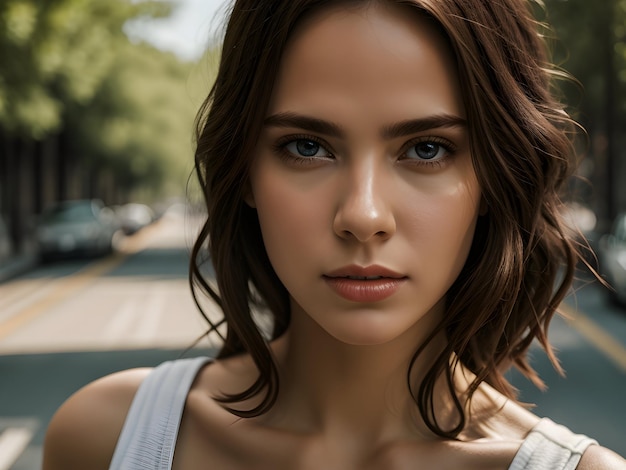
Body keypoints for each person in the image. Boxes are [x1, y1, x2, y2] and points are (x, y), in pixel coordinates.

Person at [43, 0, 626, 469]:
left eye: (427, 149)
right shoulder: (108, 438)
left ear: (496, 177)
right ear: (244, 170)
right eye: (306, 147)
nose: (363, 214)